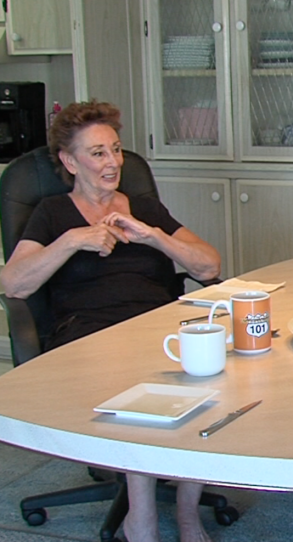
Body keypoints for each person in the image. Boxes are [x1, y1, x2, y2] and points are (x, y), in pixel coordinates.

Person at [0, 101, 222, 542]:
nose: (113, 162)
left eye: (116, 150)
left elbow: (209, 267)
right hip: (90, 332)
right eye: (97, 152)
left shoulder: (144, 209)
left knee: (213, 369)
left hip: (159, 321)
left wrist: (153, 236)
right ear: (69, 161)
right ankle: (140, 519)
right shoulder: (52, 214)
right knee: (138, 385)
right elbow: (14, 284)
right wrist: (71, 242)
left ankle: (186, 509)